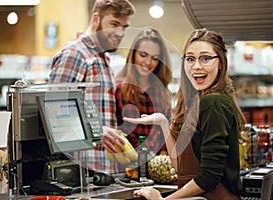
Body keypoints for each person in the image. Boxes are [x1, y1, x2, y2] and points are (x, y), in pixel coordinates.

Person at [124, 28, 246, 199]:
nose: (196, 66)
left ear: (220, 62)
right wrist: (163, 124)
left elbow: (209, 177)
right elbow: (182, 168)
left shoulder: (214, 104)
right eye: (190, 59)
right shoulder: (195, 102)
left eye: (205, 58)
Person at [48, 0, 135, 173]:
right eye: (114, 24)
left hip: (100, 172)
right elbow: (53, 112)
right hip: (79, 173)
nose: (120, 33)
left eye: (124, 27)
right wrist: (96, 131)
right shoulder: (74, 54)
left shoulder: (102, 58)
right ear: (96, 19)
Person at [115, 27, 173, 157]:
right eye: (143, 55)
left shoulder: (161, 92)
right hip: (127, 166)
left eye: (155, 58)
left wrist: (163, 156)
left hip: (158, 165)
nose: (148, 62)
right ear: (133, 54)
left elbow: (168, 129)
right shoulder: (118, 90)